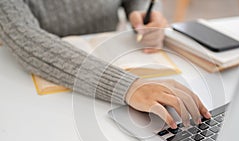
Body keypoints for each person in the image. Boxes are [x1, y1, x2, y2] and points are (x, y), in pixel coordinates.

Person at [0, 0, 211, 129]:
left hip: (116, 62)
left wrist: (145, 16)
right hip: (39, 97)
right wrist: (129, 86)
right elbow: (24, 36)